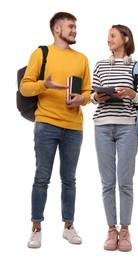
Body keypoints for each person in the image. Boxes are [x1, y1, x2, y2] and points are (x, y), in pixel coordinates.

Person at [20, 11, 91, 248]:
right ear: (57, 29)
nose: (74, 30)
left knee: (69, 179)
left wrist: (82, 99)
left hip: (73, 127)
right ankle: (36, 228)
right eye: (70, 26)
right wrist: (44, 84)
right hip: (46, 125)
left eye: (75, 27)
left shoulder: (82, 59)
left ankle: (68, 227)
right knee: (42, 178)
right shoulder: (41, 54)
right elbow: (25, 88)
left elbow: (89, 92)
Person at [90, 24, 138, 252]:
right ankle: (111, 229)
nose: (109, 40)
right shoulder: (100, 65)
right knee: (107, 183)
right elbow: (92, 97)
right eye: (107, 37)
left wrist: (132, 94)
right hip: (102, 126)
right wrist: (97, 96)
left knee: (125, 182)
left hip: (127, 127)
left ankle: (125, 230)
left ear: (125, 38)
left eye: (112, 36)